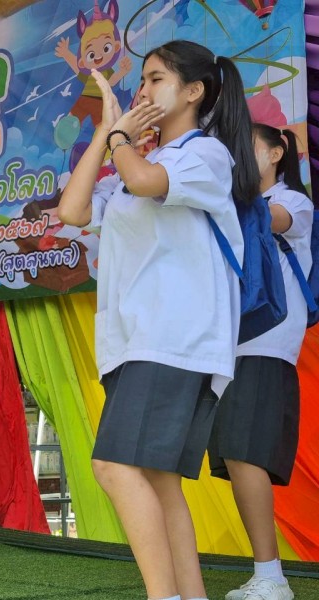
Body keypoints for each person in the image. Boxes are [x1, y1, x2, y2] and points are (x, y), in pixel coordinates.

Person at [58, 40, 258, 600]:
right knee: (158, 481)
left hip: (173, 337)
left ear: (193, 92)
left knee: (114, 468)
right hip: (136, 341)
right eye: (141, 80)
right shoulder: (129, 167)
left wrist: (121, 141)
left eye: (155, 79)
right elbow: (72, 210)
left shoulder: (205, 154)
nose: (142, 90)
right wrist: (106, 132)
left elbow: (150, 182)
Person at [208, 124, 312, 600]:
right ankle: (266, 573)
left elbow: (270, 219)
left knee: (244, 452)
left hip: (265, 342)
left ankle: (272, 576)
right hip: (228, 344)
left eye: (247, 149)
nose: (238, 158)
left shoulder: (293, 201)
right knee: (235, 454)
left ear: (276, 153)